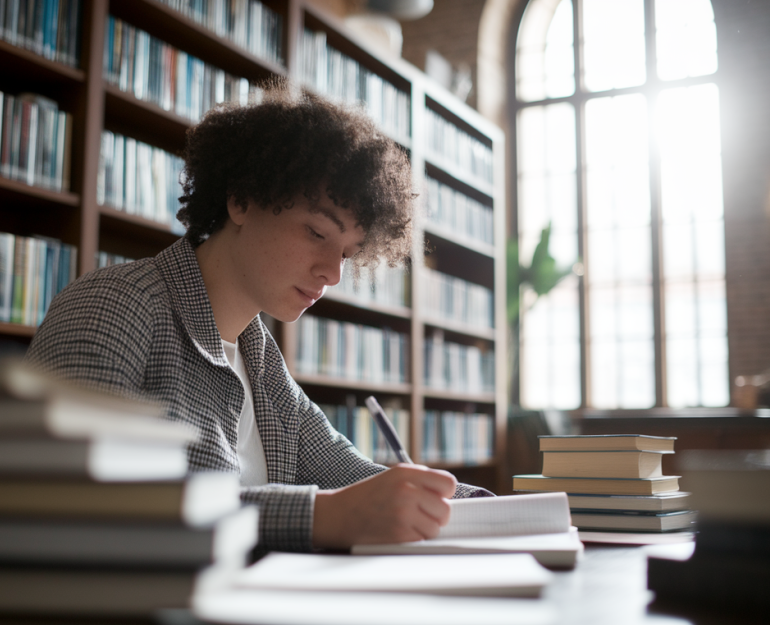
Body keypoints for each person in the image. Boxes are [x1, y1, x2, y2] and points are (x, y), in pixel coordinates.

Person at [25, 84, 492, 553]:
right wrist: (320, 516)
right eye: (316, 232)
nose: (332, 272)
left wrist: (495, 509)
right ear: (242, 201)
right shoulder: (115, 305)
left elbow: (352, 472)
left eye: (348, 253)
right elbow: (76, 494)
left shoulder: (259, 355)